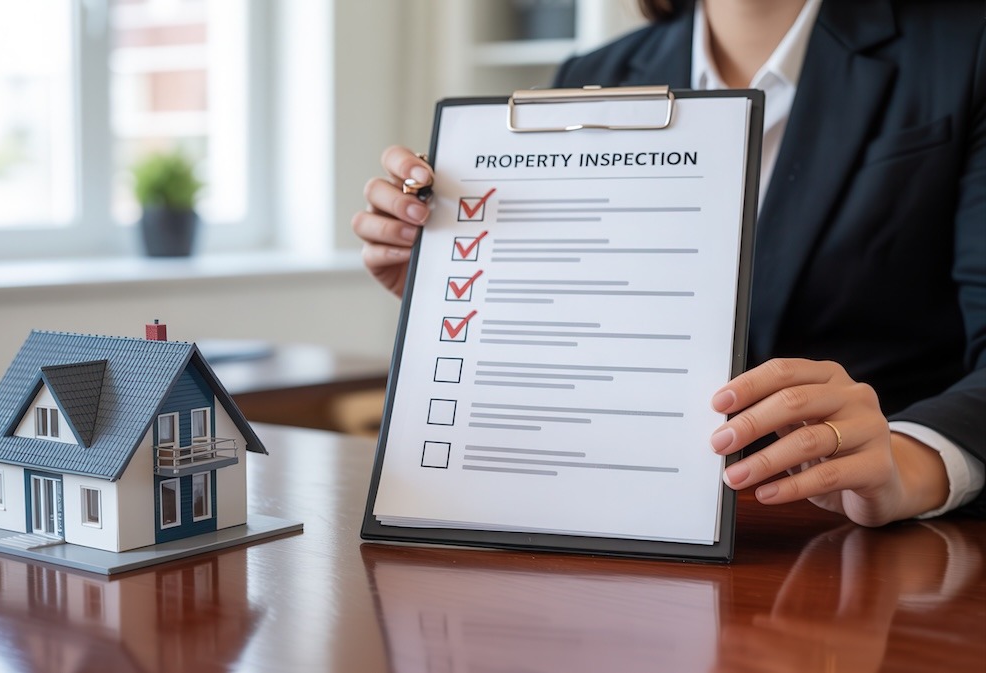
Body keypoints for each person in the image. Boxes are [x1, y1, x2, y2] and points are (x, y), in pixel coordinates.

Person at [351, 0, 985, 526]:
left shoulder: (967, 49)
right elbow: (582, 352)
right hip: (619, 534)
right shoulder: (588, 77)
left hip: (869, 545)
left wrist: (909, 462)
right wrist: (463, 293)